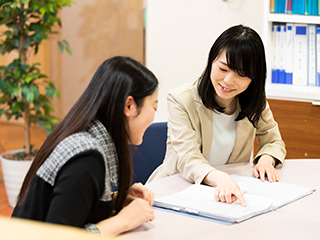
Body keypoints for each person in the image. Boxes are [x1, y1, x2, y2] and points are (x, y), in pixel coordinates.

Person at [12, 56, 159, 236]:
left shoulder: (88, 137)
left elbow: (72, 207)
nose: (154, 117)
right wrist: (124, 220)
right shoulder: (87, 157)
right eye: (154, 107)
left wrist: (117, 201)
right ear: (129, 106)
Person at [147, 25, 286, 207]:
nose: (228, 81)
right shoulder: (181, 100)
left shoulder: (254, 103)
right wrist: (220, 178)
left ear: (254, 78)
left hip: (224, 197)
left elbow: (274, 141)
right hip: (176, 190)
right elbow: (188, 158)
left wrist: (266, 159)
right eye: (223, 69)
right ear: (212, 61)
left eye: (242, 74)